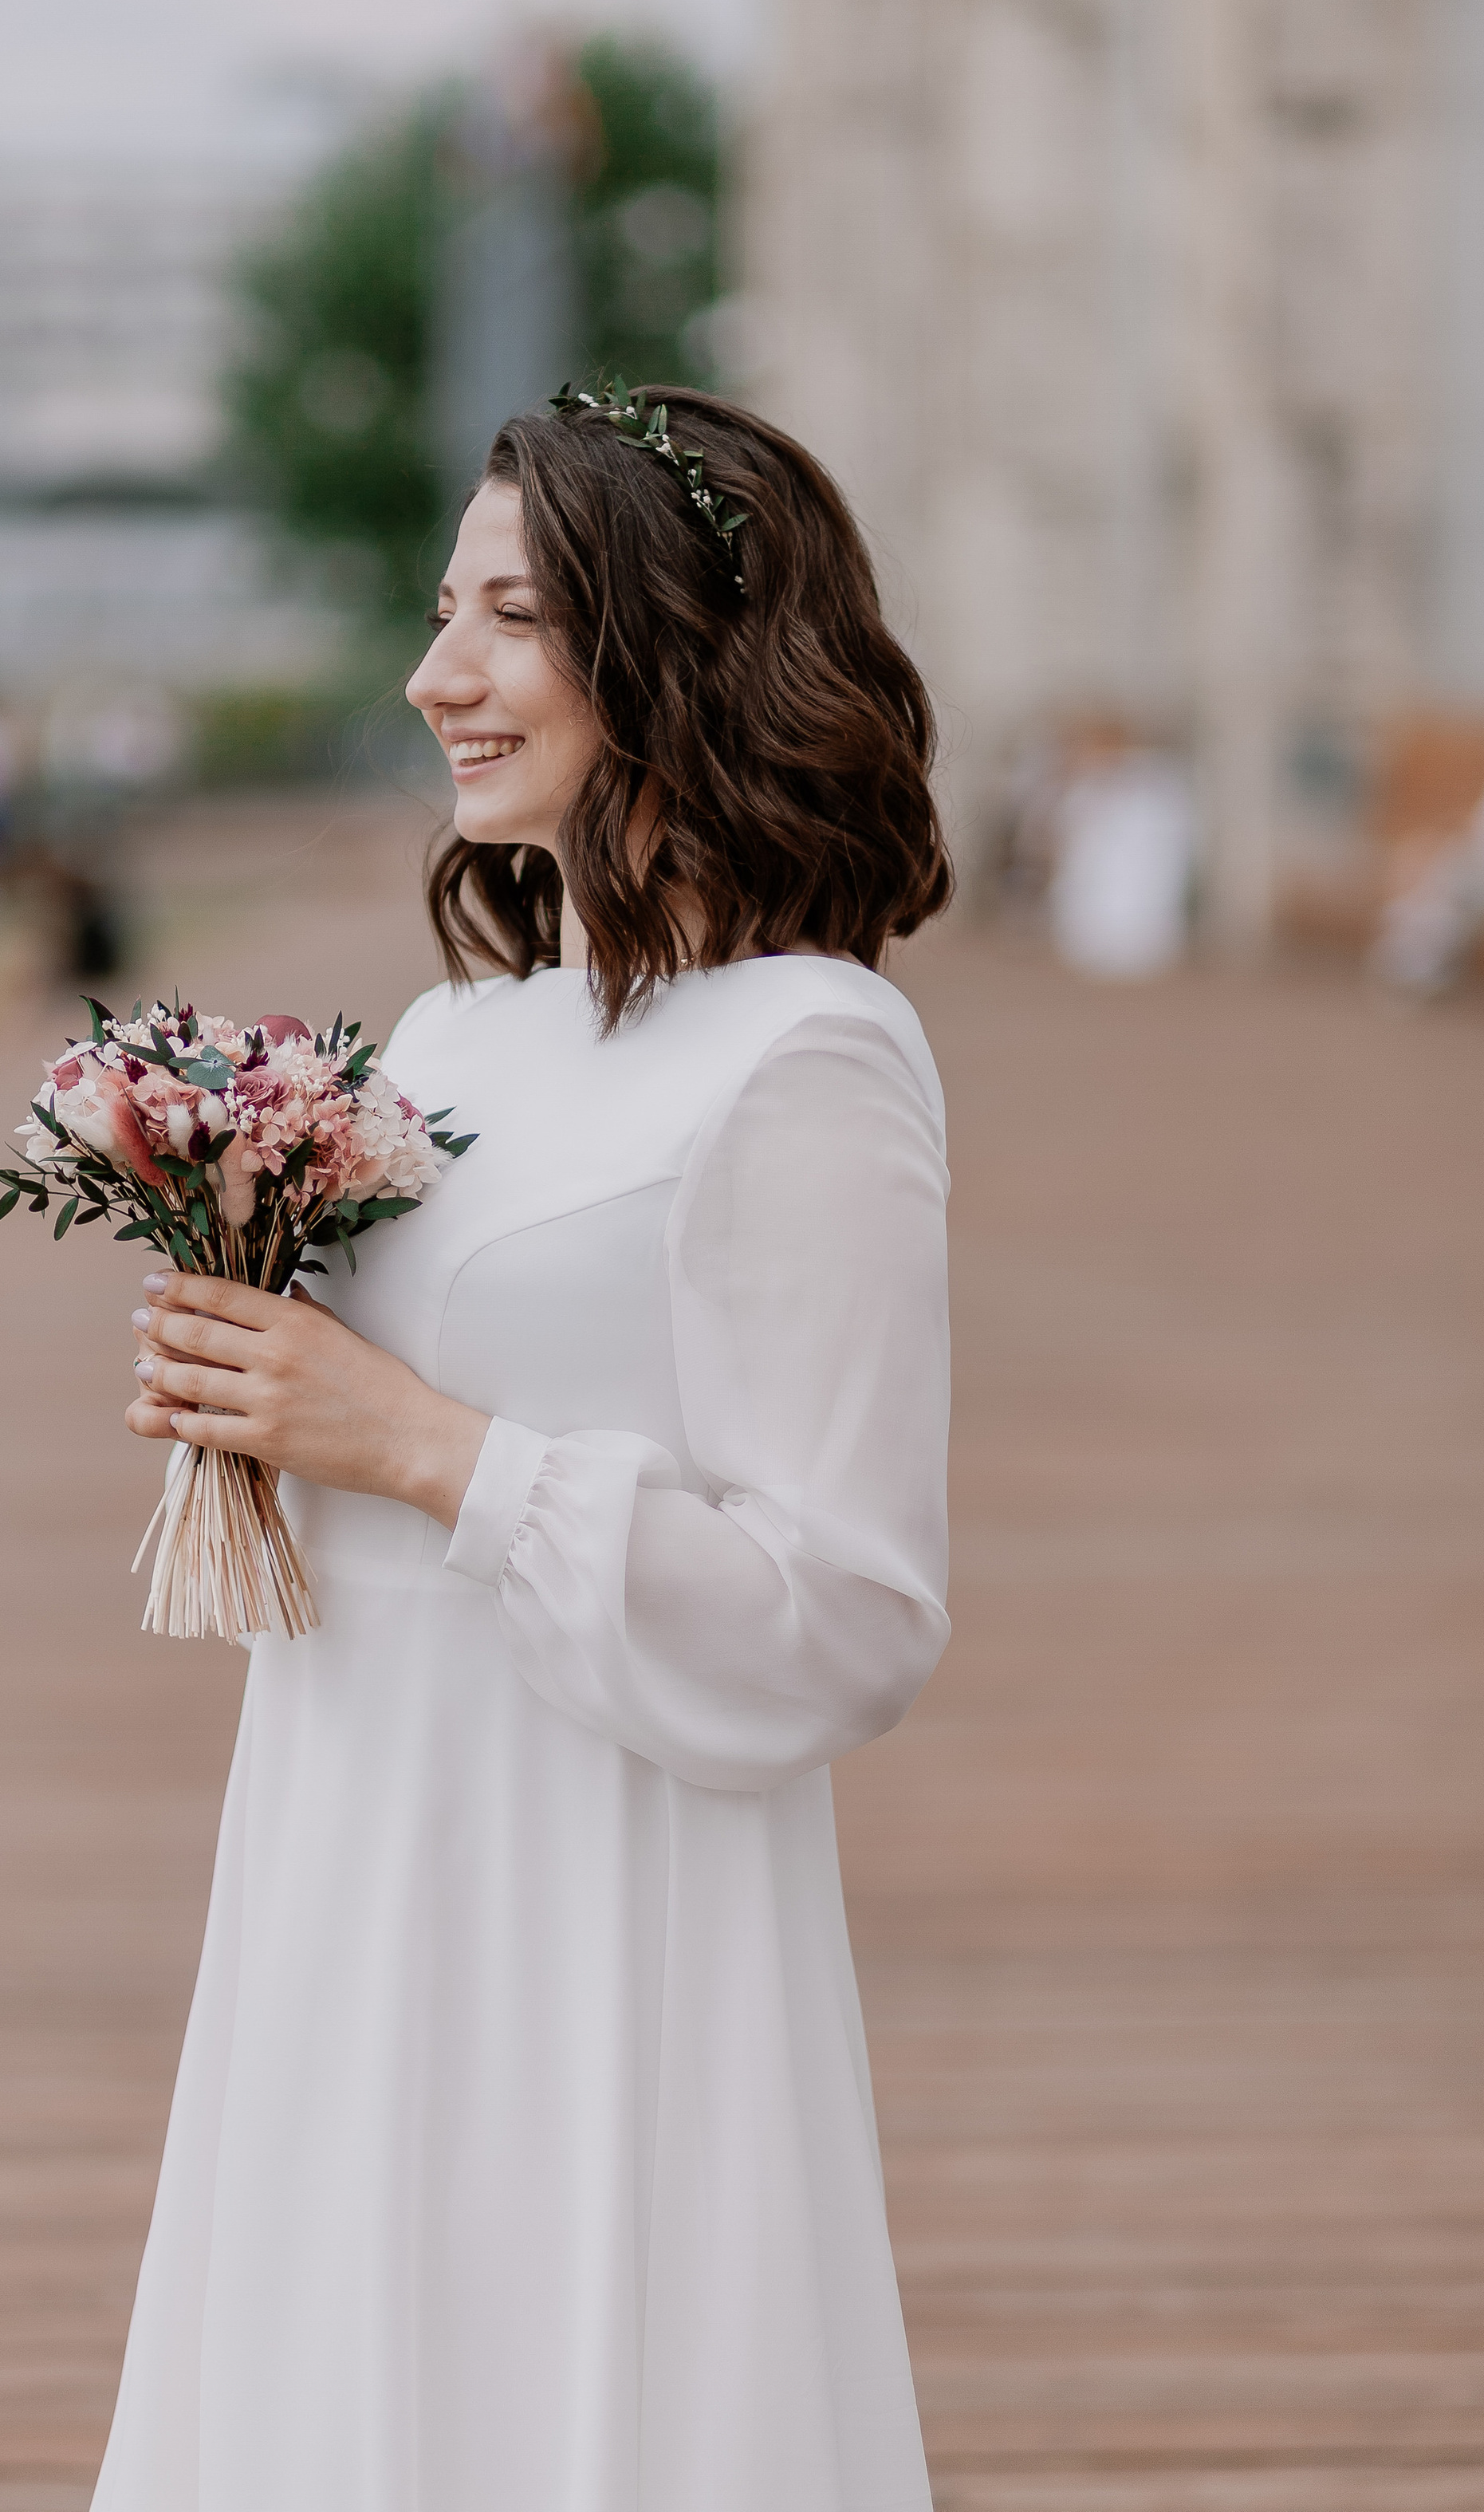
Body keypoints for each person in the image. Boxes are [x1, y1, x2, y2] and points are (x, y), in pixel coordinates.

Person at [96, 384, 955, 2512]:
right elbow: (400, 1408)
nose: (435, 676)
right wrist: (248, 1384)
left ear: (671, 648)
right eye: (436, 613)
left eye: (508, 618)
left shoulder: (812, 1055)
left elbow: (848, 1614)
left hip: (584, 1882)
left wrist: (424, 1451)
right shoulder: (454, 1035)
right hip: (351, 1832)